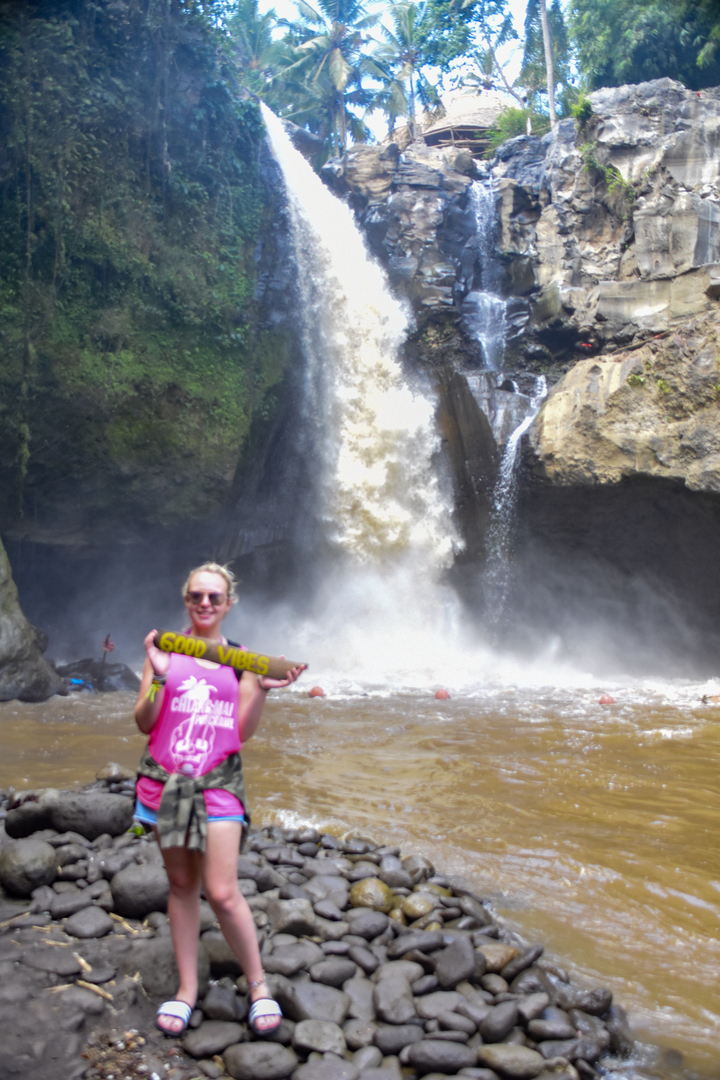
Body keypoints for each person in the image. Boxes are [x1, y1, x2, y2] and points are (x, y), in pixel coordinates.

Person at [133, 562, 305, 1037]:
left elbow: (240, 733)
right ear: (185, 600)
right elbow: (144, 722)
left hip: (220, 782)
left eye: (214, 597)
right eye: (196, 596)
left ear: (229, 604)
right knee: (183, 885)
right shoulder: (163, 649)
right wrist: (162, 677)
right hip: (169, 780)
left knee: (224, 890)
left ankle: (258, 986)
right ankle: (187, 989)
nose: (205, 604)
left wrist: (264, 692)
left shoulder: (243, 659)